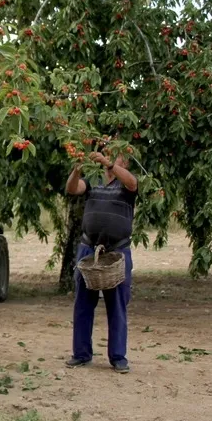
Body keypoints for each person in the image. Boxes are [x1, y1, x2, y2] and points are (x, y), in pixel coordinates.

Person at [64, 149, 138, 373]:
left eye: (114, 155)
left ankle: (118, 357)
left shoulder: (126, 184)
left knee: (117, 305)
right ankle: (81, 354)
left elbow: (133, 182)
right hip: (88, 249)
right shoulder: (93, 179)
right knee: (83, 304)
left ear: (123, 161)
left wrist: (109, 164)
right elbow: (72, 189)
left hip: (117, 252)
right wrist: (77, 169)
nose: (107, 157)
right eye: (107, 154)